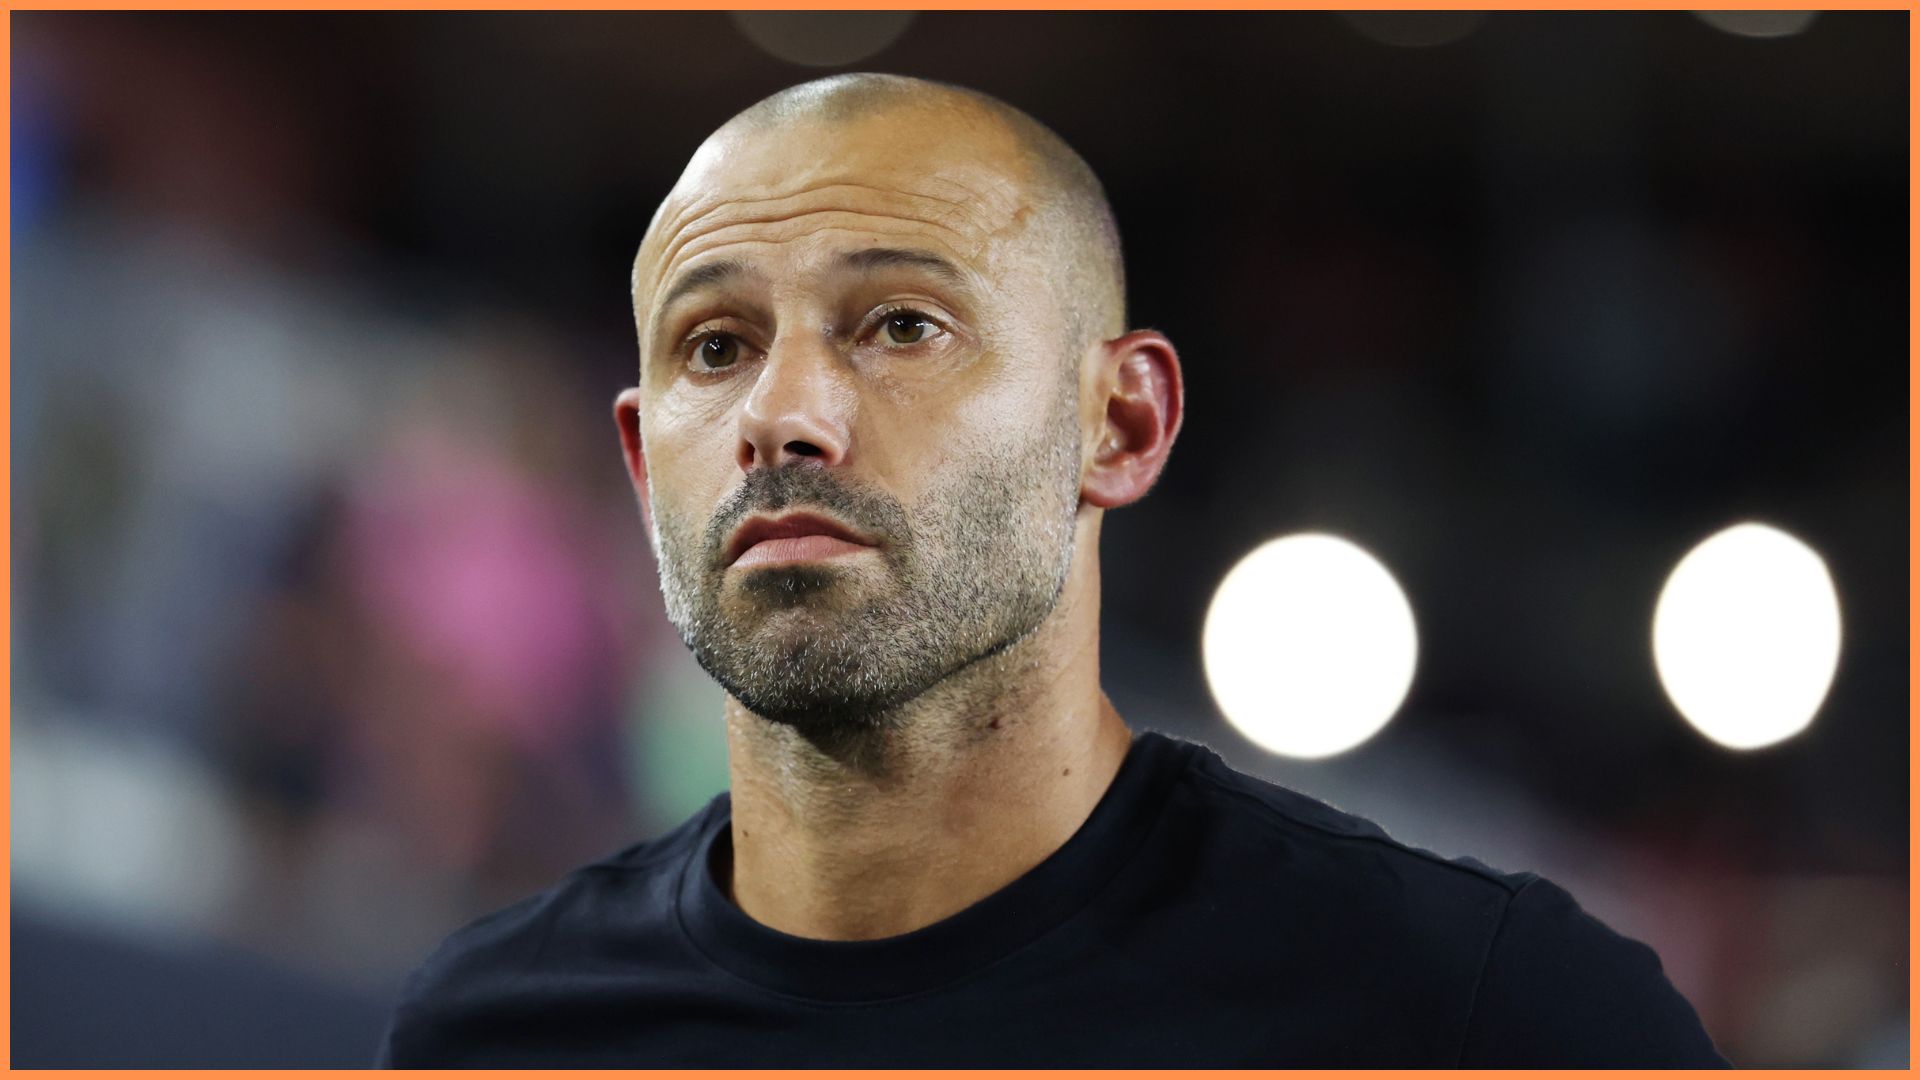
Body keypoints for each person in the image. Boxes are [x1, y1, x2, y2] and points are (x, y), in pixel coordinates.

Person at [377, 73, 1731, 1068]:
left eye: (900, 325)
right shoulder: (491, 1037)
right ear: (638, 461)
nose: (781, 416)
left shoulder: (1482, 1016)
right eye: (716, 346)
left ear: (1121, 424)